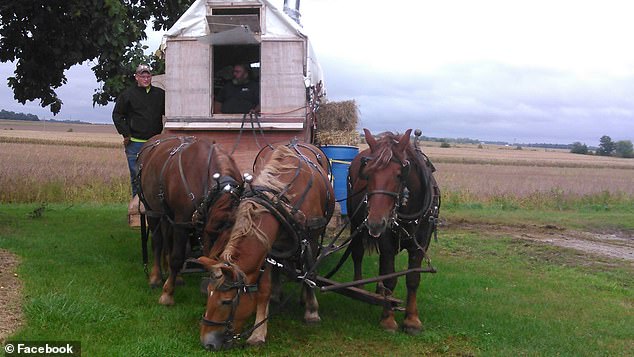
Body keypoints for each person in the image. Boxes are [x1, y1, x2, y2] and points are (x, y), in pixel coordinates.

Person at [112, 64, 165, 197]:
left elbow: (169, 112)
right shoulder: (128, 95)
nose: (146, 79)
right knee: (137, 177)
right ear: (136, 77)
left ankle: (155, 209)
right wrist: (126, 133)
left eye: (148, 76)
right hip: (135, 144)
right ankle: (137, 209)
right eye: (143, 76)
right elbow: (117, 115)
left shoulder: (160, 94)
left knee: (157, 177)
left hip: (155, 143)